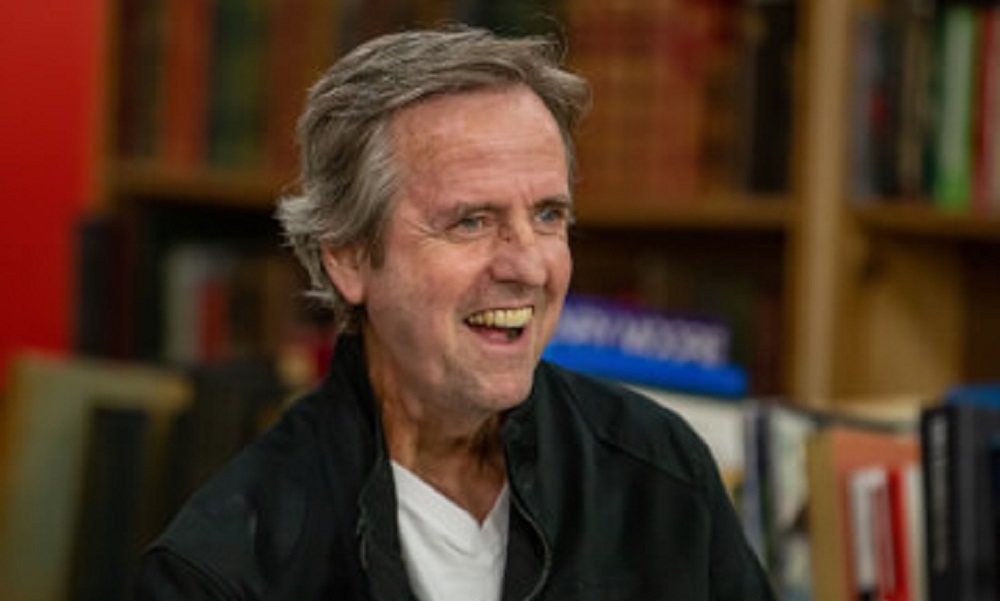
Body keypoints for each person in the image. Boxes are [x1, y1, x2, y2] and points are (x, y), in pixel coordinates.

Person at [135, 24, 776, 601]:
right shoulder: (223, 570)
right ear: (349, 257)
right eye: (471, 221)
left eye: (548, 215)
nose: (528, 266)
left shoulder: (661, 475)